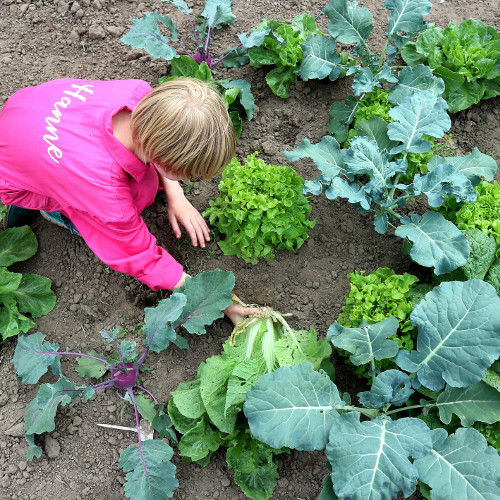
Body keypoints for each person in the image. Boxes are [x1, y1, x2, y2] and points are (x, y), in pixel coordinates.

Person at [0, 77, 258, 324]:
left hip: (26, 109)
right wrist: (216, 300)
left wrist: (176, 194)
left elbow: (155, 151)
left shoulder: (139, 94)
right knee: (119, 207)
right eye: (189, 175)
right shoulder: (104, 188)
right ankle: (58, 214)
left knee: (137, 184)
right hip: (11, 174)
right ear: (164, 160)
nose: (189, 179)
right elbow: (140, 257)